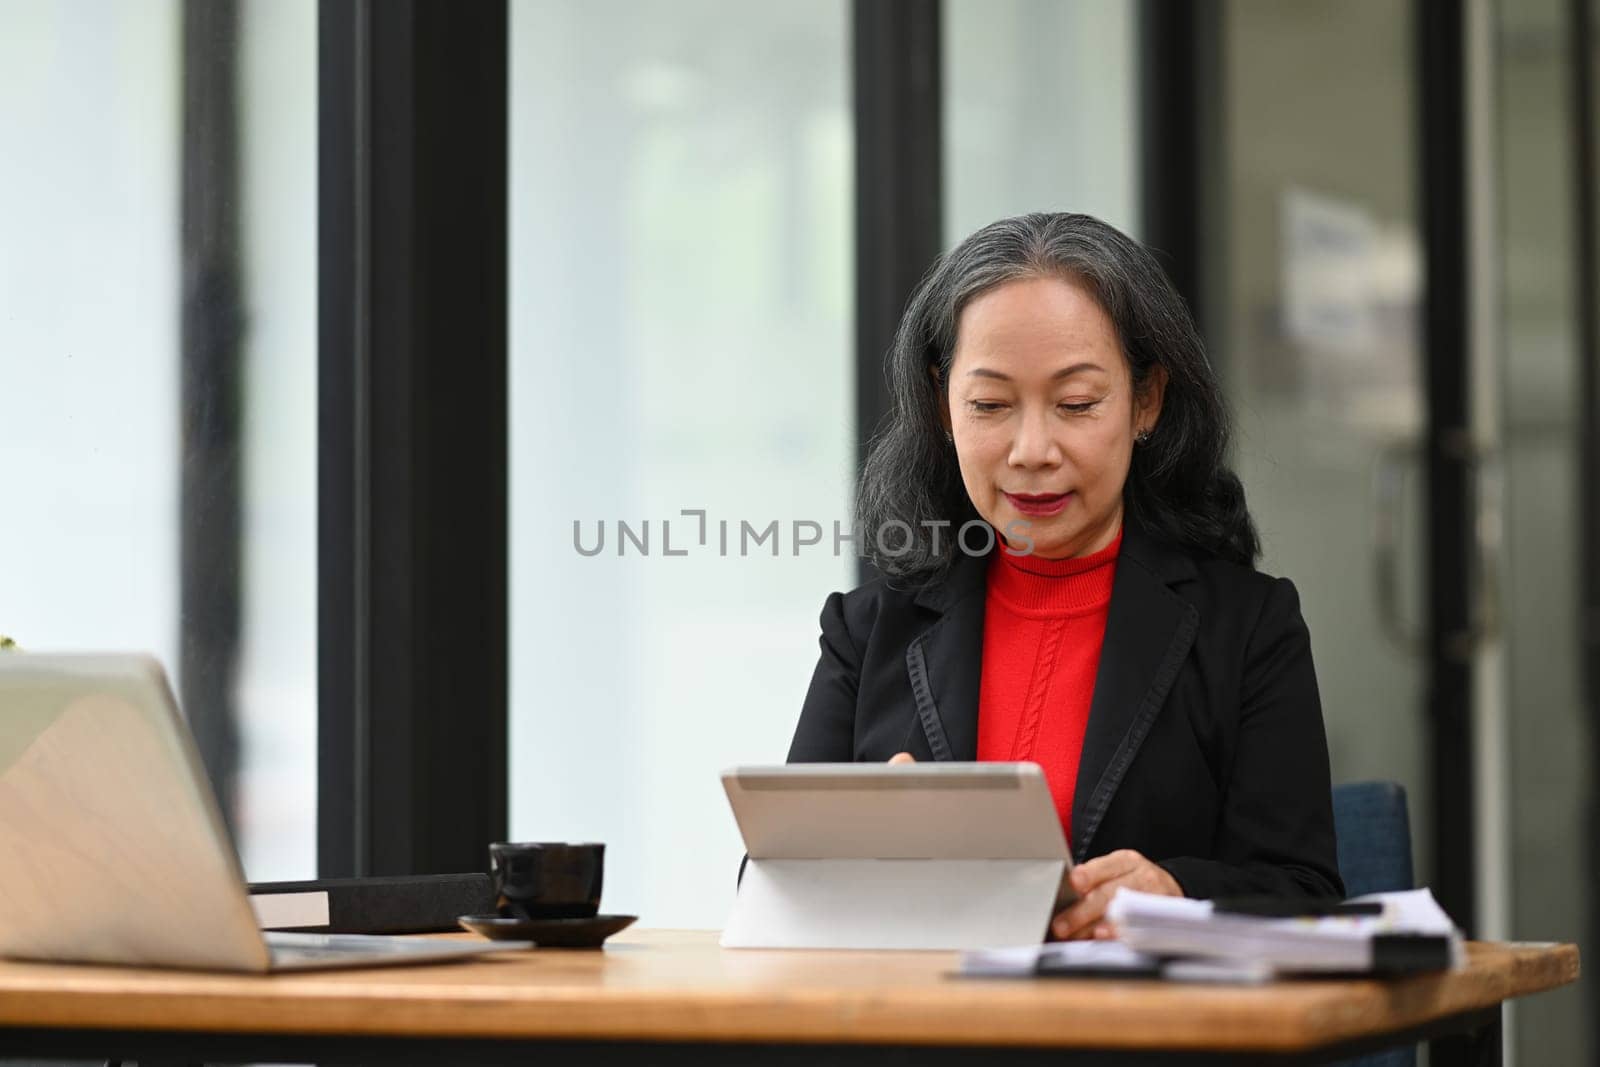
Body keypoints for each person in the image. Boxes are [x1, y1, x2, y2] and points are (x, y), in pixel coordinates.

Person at [787, 212, 1344, 941]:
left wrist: (1176, 891)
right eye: (989, 405)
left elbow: (1305, 891)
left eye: (1076, 404)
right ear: (941, 406)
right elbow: (771, 882)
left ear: (1147, 401)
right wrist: (867, 855)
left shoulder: (1249, 628)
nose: (1032, 449)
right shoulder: (866, 633)